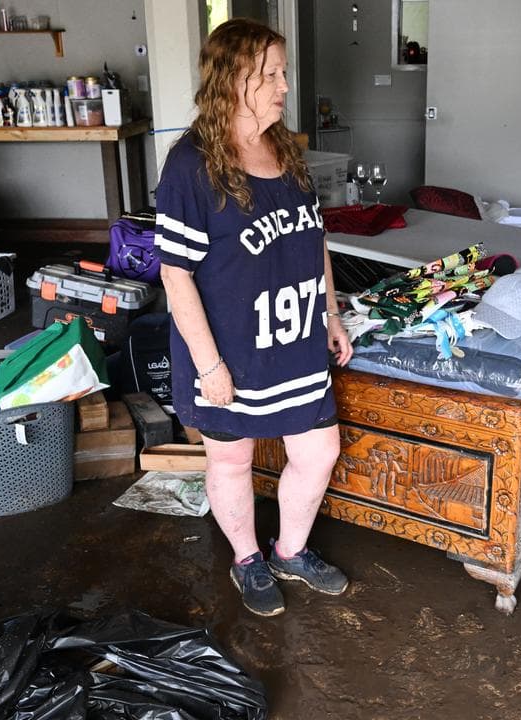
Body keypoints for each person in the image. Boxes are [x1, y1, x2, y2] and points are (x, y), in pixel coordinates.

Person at [155, 18, 353, 617]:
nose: (284, 85)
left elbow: (314, 239)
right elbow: (175, 273)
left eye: (282, 72)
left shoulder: (285, 150)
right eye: (270, 74)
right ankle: (247, 560)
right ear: (232, 80)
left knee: (318, 450)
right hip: (229, 349)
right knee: (232, 457)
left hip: (294, 339)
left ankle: (290, 552)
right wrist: (209, 365)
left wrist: (331, 312)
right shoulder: (191, 165)